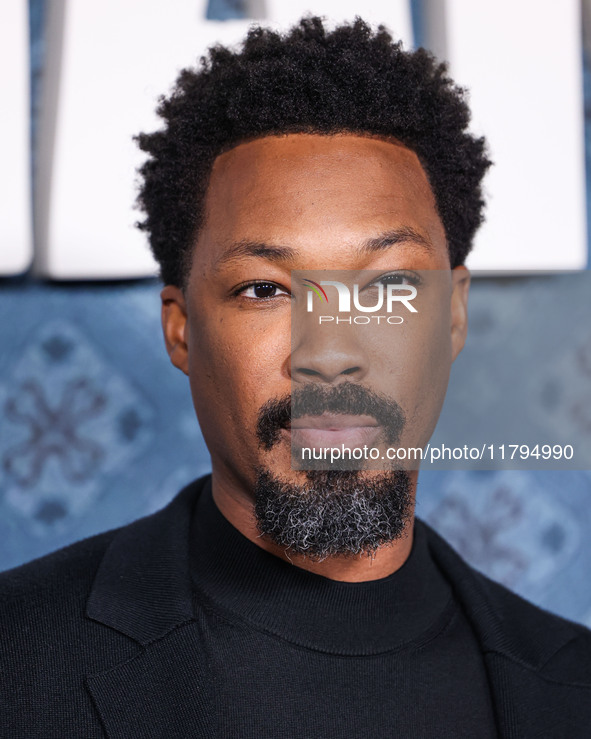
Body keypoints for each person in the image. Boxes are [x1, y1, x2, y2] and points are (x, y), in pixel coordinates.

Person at [2, 16, 590, 739]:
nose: (331, 350)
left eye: (386, 287)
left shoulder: (571, 687)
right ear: (181, 327)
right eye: (265, 289)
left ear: (453, 317)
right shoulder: (15, 661)